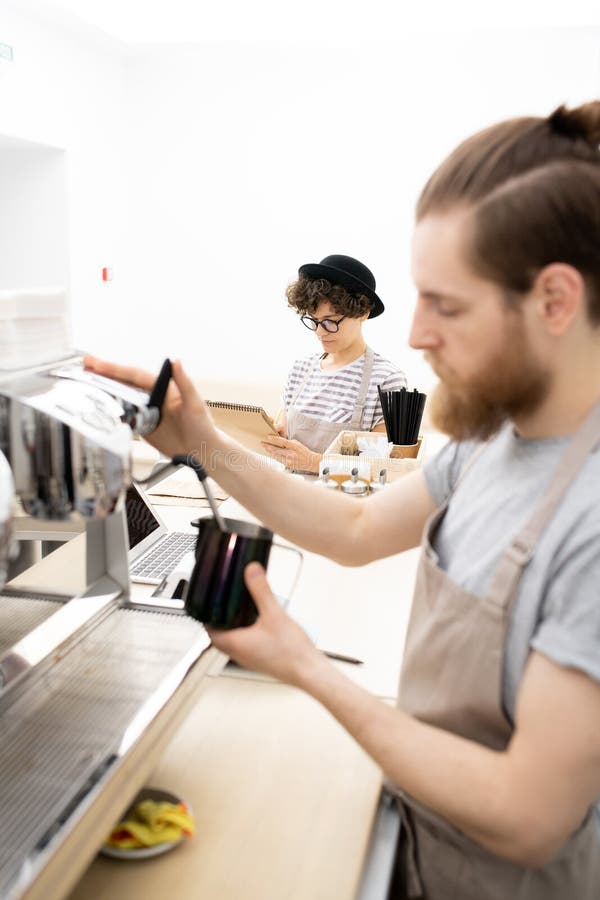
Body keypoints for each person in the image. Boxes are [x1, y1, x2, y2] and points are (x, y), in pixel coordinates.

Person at [85, 100, 600, 899]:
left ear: (556, 302)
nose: (419, 333)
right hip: (422, 832)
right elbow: (358, 525)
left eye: (448, 304)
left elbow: (527, 813)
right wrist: (205, 446)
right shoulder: (491, 439)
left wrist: (306, 668)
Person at [261, 254, 407, 473]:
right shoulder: (301, 370)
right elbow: (282, 428)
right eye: (315, 320)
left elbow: (385, 467)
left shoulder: (387, 380)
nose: (320, 332)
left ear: (363, 313)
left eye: (330, 321)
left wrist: (313, 463)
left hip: (347, 503)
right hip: (289, 495)